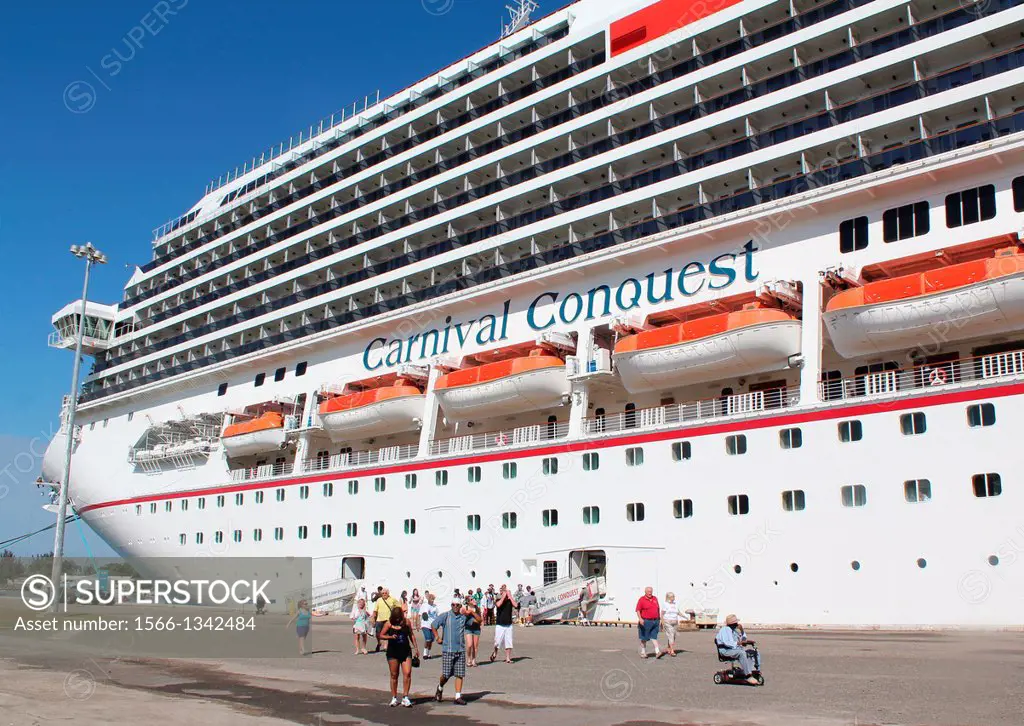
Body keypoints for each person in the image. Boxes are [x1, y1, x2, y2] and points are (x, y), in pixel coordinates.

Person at [431, 597, 468, 705]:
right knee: (446, 675)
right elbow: (434, 625)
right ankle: (440, 687)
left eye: (457, 605)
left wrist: (471, 611)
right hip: (448, 650)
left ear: (460, 606)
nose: (455, 607)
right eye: (453, 605)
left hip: (460, 649)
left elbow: (478, 621)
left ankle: (457, 696)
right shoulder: (446, 615)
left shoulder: (463, 617)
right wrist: (437, 637)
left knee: (459, 674)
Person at [380, 607, 418, 707]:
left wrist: (416, 648)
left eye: (399, 618)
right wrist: (390, 637)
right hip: (393, 652)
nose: (397, 620)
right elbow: (381, 635)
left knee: (407, 673)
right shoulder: (389, 623)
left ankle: (405, 697)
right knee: (394, 675)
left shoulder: (406, 622)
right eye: (396, 618)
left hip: (406, 651)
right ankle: (394, 697)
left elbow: (411, 635)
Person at [716, 614, 759, 685]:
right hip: (726, 650)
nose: (737, 624)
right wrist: (739, 643)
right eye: (736, 623)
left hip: (735, 649)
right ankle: (748, 675)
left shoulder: (734, 631)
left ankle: (753, 670)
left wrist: (742, 630)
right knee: (741, 653)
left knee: (752, 652)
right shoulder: (725, 630)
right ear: (733, 623)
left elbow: (743, 637)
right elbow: (728, 643)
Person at [490, 585, 517, 663]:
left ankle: (508, 658)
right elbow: (498, 605)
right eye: (502, 590)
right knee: (497, 642)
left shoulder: (510, 600)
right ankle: (495, 652)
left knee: (509, 642)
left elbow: (516, 605)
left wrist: (510, 596)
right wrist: (503, 596)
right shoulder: (498, 599)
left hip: (508, 624)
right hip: (500, 624)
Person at [372, 587, 400, 653]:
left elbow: (399, 607)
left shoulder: (393, 599)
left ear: (388, 593)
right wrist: (373, 618)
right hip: (379, 619)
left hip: (388, 620)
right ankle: (379, 643)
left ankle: (385, 646)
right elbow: (375, 610)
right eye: (383, 593)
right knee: (378, 634)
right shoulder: (379, 600)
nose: (384, 594)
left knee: (387, 633)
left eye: (385, 593)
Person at [635, 586, 661, 659]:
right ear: (645, 592)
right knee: (644, 638)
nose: (650, 593)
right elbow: (638, 610)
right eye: (648, 591)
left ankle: (657, 652)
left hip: (655, 621)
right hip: (645, 621)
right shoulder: (641, 599)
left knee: (654, 637)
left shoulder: (655, 598)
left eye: (651, 591)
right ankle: (643, 652)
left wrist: (659, 619)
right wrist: (640, 619)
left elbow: (658, 609)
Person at [463, 596, 482, 666]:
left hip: (476, 628)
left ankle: (473, 660)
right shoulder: (465, 608)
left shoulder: (477, 608)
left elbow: (480, 619)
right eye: (471, 599)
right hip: (468, 628)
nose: (473, 600)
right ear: (468, 602)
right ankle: (468, 658)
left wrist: (472, 613)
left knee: (475, 646)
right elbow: (463, 617)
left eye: (473, 599)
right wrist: (475, 619)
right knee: (469, 645)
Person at [420, 592, 439, 660]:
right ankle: (425, 653)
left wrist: (438, 624)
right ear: (428, 599)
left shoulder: (435, 607)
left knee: (431, 640)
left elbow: (436, 616)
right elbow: (421, 614)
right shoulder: (424, 605)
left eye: (433, 599)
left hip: (433, 626)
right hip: (425, 625)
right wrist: (417, 624)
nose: (432, 600)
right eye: (431, 599)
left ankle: (427, 653)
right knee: (428, 639)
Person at [661, 591, 680, 657]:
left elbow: (678, 612)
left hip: (675, 622)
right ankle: (672, 651)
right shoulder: (665, 604)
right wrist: (662, 621)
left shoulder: (675, 604)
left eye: (673, 596)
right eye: (672, 596)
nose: (673, 598)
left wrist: (684, 616)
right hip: (667, 622)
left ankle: (669, 648)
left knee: (673, 636)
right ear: (668, 597)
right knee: (671, 635)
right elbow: (662, 613)